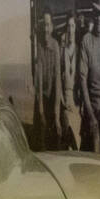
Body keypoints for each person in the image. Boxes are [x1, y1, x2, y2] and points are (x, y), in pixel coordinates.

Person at [77, 7, 100, 155]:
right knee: (96, 143)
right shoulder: (86, 40)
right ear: (93, 16)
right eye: (97, 15)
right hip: (90, 106)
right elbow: (83, 81)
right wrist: (91, 116)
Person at [32, 10, 60, 150]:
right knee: (41, 134)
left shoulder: (56, 46)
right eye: (44, 25)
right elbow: (39, 78)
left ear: (52, 27)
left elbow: (58, 79)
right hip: (42, 96)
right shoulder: (39, 46)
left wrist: (56, 111)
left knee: (56, 133)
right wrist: (41, 110)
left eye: (48, 25)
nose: (46, 29)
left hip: (53, 95)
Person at [57, 16, 80, 150]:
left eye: (73, 26)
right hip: (65, 100)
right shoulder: (62, 52)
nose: (70, 30)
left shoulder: (79, 50)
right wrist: (63, 101)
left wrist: (78, 104)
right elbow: (58, 78)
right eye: (68, 27)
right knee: (67, 137)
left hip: (76, 103)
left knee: (77, 141)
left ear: (75, 29)